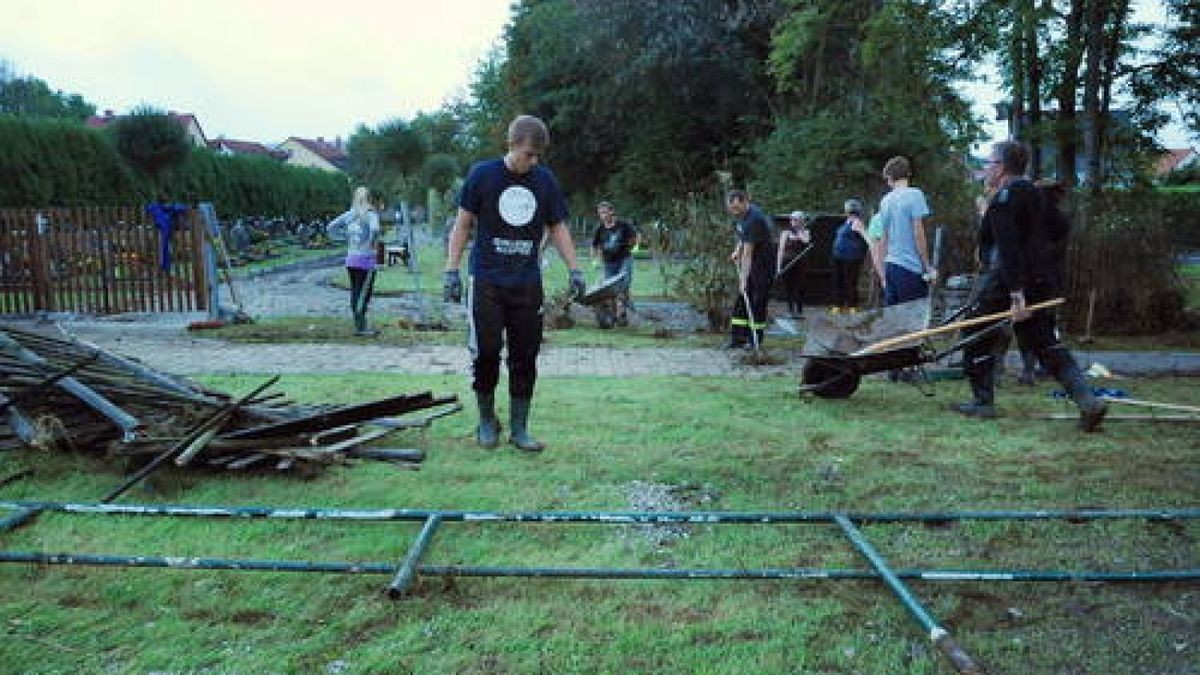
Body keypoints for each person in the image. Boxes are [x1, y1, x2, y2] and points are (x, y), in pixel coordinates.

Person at [443, 114, 586, 452]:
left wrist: (575, 269)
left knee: (525, 356)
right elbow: (462, 226)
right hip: (487, 282)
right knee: (487, 353)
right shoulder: (482, 175)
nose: (533, 162)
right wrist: (451, 270)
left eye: (537, 156)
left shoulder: (545, 181)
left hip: (526, 283)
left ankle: (520, 428)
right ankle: (486, 421)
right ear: (512, 145)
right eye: (528, 155)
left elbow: (558, 227)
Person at [954, 140, 1106, 431]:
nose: (985, 168)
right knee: (1046, 343)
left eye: (988, 163)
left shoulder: (1002, 200)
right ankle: (1089, 402)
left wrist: (1015, 295)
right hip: (1041, 281)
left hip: (1008, 283)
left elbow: (1008, 250)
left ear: (1001, 168)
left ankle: (983, 402)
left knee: (973, 331)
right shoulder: (1037, 195)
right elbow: (1062, 228)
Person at [877, 156, 936, 305]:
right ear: (908, 174)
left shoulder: (885, 200)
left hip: (890, 267)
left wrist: (883, 273)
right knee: (913, 323)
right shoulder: (915, 195)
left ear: (891, 177)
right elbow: (918, 233)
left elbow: (883, 238)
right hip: (910, 268)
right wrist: (927, 266)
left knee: (894, 321)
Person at [326, 186, 382, 336]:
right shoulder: (371, 214)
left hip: (351, 259)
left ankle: (359, 324)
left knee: (355, 291)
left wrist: (343, 238)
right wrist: (371, 242)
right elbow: (375, 229)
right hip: (366, 260)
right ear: (369, 198)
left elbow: (330, 227)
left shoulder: (349, 215)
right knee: (364, 293)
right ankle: (361, 327)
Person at [726, 190, 773, 349]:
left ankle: (755, 341)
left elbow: (748, 254)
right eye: (732, 208)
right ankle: (738, 339)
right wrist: (736, 250)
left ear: (746, 202)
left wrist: (743, 280)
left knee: (757, 303)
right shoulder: (743, 217)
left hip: (762, 266)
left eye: (737, 207)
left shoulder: (755, 219)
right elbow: (743, 238)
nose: (734, 211)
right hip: (751, 262)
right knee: (741, 302)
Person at [590, 201, 640, 325]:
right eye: (600, 213)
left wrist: (636, 246)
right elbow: (594, 246)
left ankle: (621, 314)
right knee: (609, 290)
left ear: (611, 212)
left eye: (604, 212)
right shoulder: (599, 228)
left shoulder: (623, 224)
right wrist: (595, 260)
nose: (602, 215)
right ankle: (613, 315)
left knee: (623, 285)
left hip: (624, 259)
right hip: (609, 263)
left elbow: (636, 236)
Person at [830, 198, 869, 313]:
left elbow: (866, 238)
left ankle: (852, 306)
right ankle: (838, 304)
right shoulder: (845, 223)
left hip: (851, 258)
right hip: (838, 256)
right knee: (838, 281)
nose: (846, 211)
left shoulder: (857, 222)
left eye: (847, 209)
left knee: (850, 282)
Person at [776, 210, 811, 318]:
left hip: (801, 263)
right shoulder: (785, 233)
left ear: (801, 221)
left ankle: (799, 310)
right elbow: (781, 250)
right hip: (787, 262)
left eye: (796, 220)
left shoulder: (806, 232)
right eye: (792, 219)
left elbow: (806, 241)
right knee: (788, 287)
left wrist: (799, 234)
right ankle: (790, 310)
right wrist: (778, 266)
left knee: (800, 286)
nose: (793, 221)